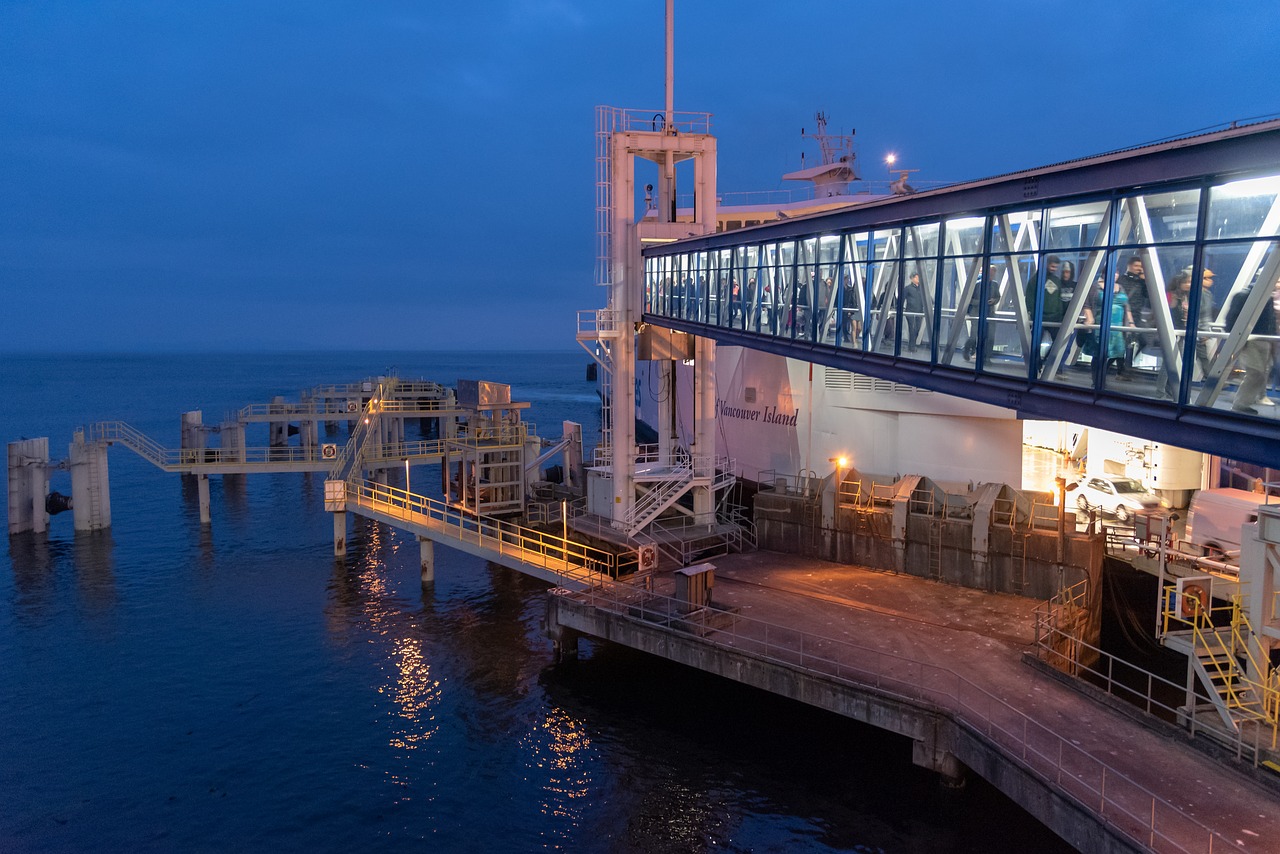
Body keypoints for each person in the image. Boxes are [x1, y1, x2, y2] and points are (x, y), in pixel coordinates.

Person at [1226, 275, 1279, 414]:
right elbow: (1232, 319)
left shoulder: (1266, 296)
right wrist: (1236, 340)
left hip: (1263, 340)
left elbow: (1271, 320)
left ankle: (1244, 400)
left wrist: (1272, 338)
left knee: (1260, 372)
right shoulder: (1243, 295)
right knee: (1256, 372)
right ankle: (1240, 404)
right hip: (1249, 340)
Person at [1026, 254, 1065, 353]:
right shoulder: (1035, 280)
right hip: (1041, 317)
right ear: (1046, 264)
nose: (1054, 269)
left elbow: (1059, 298)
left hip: (1053, 317)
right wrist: (1035, 313)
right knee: (1036, 344)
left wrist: (1059, 313)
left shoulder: (1055, 280)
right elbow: (1029, 299)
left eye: (1056, 267)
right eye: (1052, 266)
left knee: (1057, 343)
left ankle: (1044, 362)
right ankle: (1038, 363)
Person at [1098, 273, 1134, 381]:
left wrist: (1131, 322)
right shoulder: (1097, 286)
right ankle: (1098, 375)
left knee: (1119, 350)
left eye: (1117, 274)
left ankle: (1111, 372)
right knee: (1104, 351)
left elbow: (1126, 306)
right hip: (1103, 323)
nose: (1115, 275)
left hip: (1119, 324)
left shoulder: (1120, 287)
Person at [964, 265, 1000, 362]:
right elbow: (969, 300)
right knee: (974, 336)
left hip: (989, 314)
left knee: (990, 336)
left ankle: (986, 357)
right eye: (990, 274)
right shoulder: (977, 285)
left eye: (993, 274)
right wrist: (981, 302)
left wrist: (994, 301)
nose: (992, 276)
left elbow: (998, 297)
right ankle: (966, 349)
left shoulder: (995, 285)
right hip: (976, 313)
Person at [902, 271, 925, 352]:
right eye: (916, 277)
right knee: (912, 329)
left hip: (919, 312)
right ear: (912, 279)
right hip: (910, 312)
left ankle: (912, 345)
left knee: (917, 329)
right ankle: (911, 347)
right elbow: (902, 299)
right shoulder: (907, 288)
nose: (918, 279)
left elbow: (928, 298)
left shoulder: (922, 289)